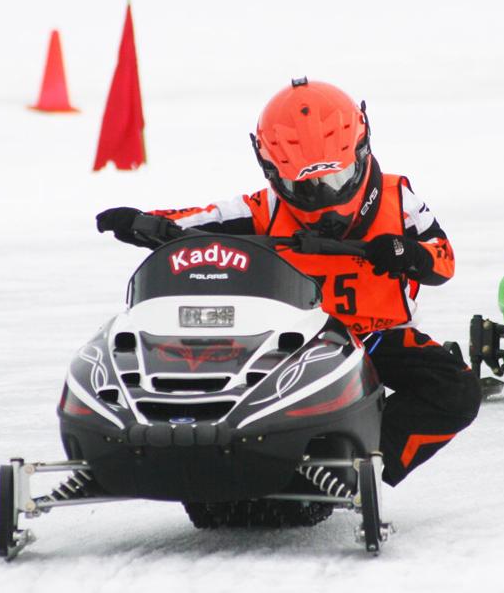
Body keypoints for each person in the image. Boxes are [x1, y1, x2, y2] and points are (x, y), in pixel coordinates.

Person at [96, 77, 481, 486]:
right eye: (304, 185)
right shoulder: (262, 207)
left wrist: (408, 254)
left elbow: (444, 259)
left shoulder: (399, 198)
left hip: (379, 337)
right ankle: (220, 456)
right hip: (294, 345)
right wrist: (142, 223)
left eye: (336, 179)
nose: (324, 197)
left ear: (361, 150)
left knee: (455, 390)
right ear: (274, 173)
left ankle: (364, 466)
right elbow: (192, 221)